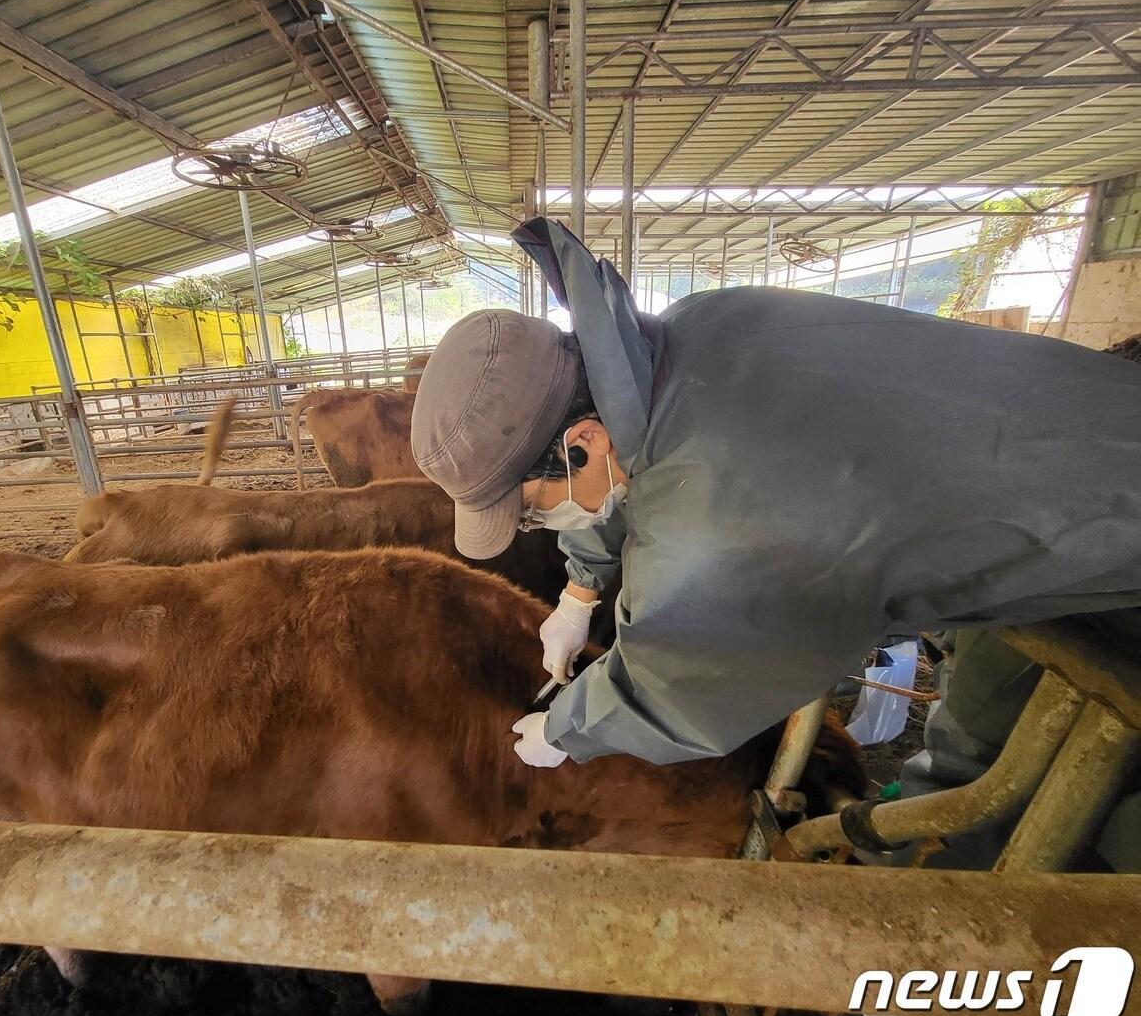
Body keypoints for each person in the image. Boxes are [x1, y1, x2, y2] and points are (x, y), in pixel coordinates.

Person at [409, 217, 1141, 768]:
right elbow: (649, 452)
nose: (544, 518)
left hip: (1106, 526)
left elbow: (684, 680)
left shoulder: (719, 527)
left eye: (534, 506)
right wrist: (579, 591)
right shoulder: (697, 329)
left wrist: (568, 731)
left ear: (583, 443)